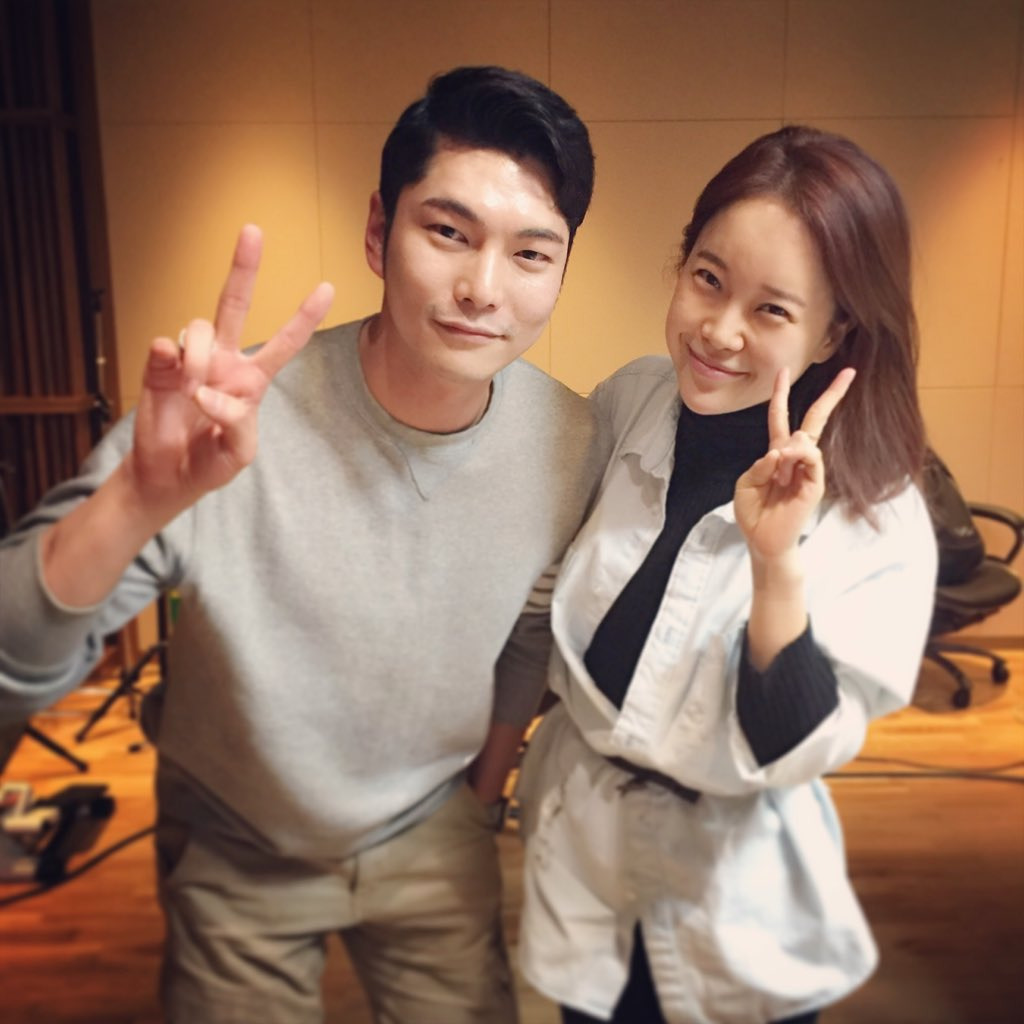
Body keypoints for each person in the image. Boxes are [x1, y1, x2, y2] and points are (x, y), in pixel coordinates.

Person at [0, 66, 609, 1023]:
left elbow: (530, 633)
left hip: (430, 823)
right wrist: (132, 504)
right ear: (378, 232)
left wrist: (483, 792)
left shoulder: (571, 442)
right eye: (448, 232)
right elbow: (13, 656)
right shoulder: (225, 423)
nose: (482, 289)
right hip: (237, 835)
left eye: (532, 253)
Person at [515, 125, 938, 1024]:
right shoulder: (631, 400)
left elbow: (791, 747)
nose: (719, 331)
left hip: (734, 903)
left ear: (835, 330)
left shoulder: (875, 506)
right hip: (587, 870)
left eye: (772, 311)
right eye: (708, 278)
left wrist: (776, 561)